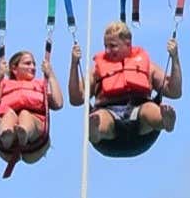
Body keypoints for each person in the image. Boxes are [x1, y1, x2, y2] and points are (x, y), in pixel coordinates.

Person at [67, 21, 181, 152]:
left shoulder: (148, 67)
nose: (107, 50)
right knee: (101, 117)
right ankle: (95, 131)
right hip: (110, 129)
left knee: (149, 109)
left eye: (113, 46)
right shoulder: (97, 71)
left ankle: (164, 121)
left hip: (141, 127)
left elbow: (175, 91)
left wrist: (175, 57)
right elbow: (76, 99)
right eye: (105, 46)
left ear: (128, 43)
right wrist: (74, 64)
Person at [0, 49, 64, 176]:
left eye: (34, 64)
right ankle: (7, 135)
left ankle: (24, 132)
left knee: (25, 114)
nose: (33, 67)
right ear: (14, 69)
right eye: (27, 63)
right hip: (6, 145)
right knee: (9, 114)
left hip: (36, 135)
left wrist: (51, 75)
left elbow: (58, 104)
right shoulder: (4, 85)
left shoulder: (40, 85)